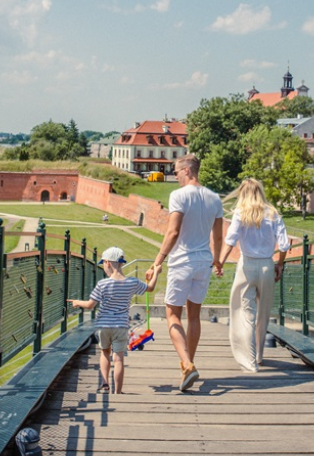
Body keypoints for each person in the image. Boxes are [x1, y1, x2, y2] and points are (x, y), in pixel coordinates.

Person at [147, 154, 223, 392]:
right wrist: (218, 260)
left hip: (182, 261)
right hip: (204, 262)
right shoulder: (214, 197)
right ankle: (188, 365)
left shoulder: (178, 196)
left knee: (172, 316)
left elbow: (173, 232)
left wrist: (157, 262)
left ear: (188, 170)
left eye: (177, 171)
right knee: (194, 316)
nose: (175, 175)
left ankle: (187, 365)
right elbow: (218, 236)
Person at [216, 178, 290, 372]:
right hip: (267, 265)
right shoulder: (273, 214)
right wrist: (279, 265)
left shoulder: (241, 214)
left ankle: (249, 361)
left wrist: (220, 262)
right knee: (263, 314)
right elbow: (284, 245)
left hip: (247, 266)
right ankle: (259, 355)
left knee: (246, 313)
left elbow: (230, 240)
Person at [69, 247, 161, 394]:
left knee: (105, 353)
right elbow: (150, 288)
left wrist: (77, 302)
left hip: (104, 326)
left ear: (108, 263)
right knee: (118, 359)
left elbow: (90, 305)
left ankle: (105, 385)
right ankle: (118, 392)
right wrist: (156, 272)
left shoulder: (103, 284)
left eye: (103, 264)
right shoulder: (132, 282)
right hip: (121, 326)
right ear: (121, 263)